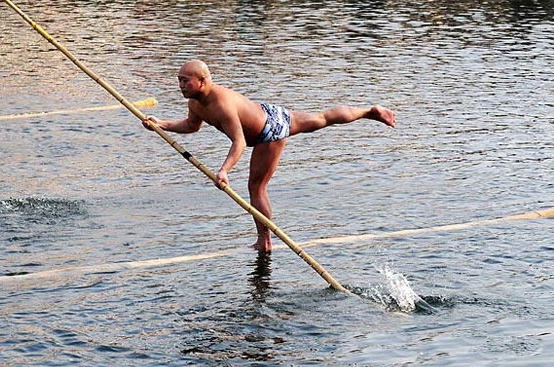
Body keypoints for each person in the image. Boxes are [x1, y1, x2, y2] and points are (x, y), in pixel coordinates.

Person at [143, 60, 395, 252]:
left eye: (185, 81)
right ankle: (369, 112)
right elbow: (191, 126)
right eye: (179, 80)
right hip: (268, 112)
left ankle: (264, 240)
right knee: (322, 118)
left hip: (268, 132)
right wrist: (161, 124)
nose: (181, 86)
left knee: (256, 188)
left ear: (203, 80)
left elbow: (240, 142)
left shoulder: (222, 105)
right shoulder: (195, 103)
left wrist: (224, 170)